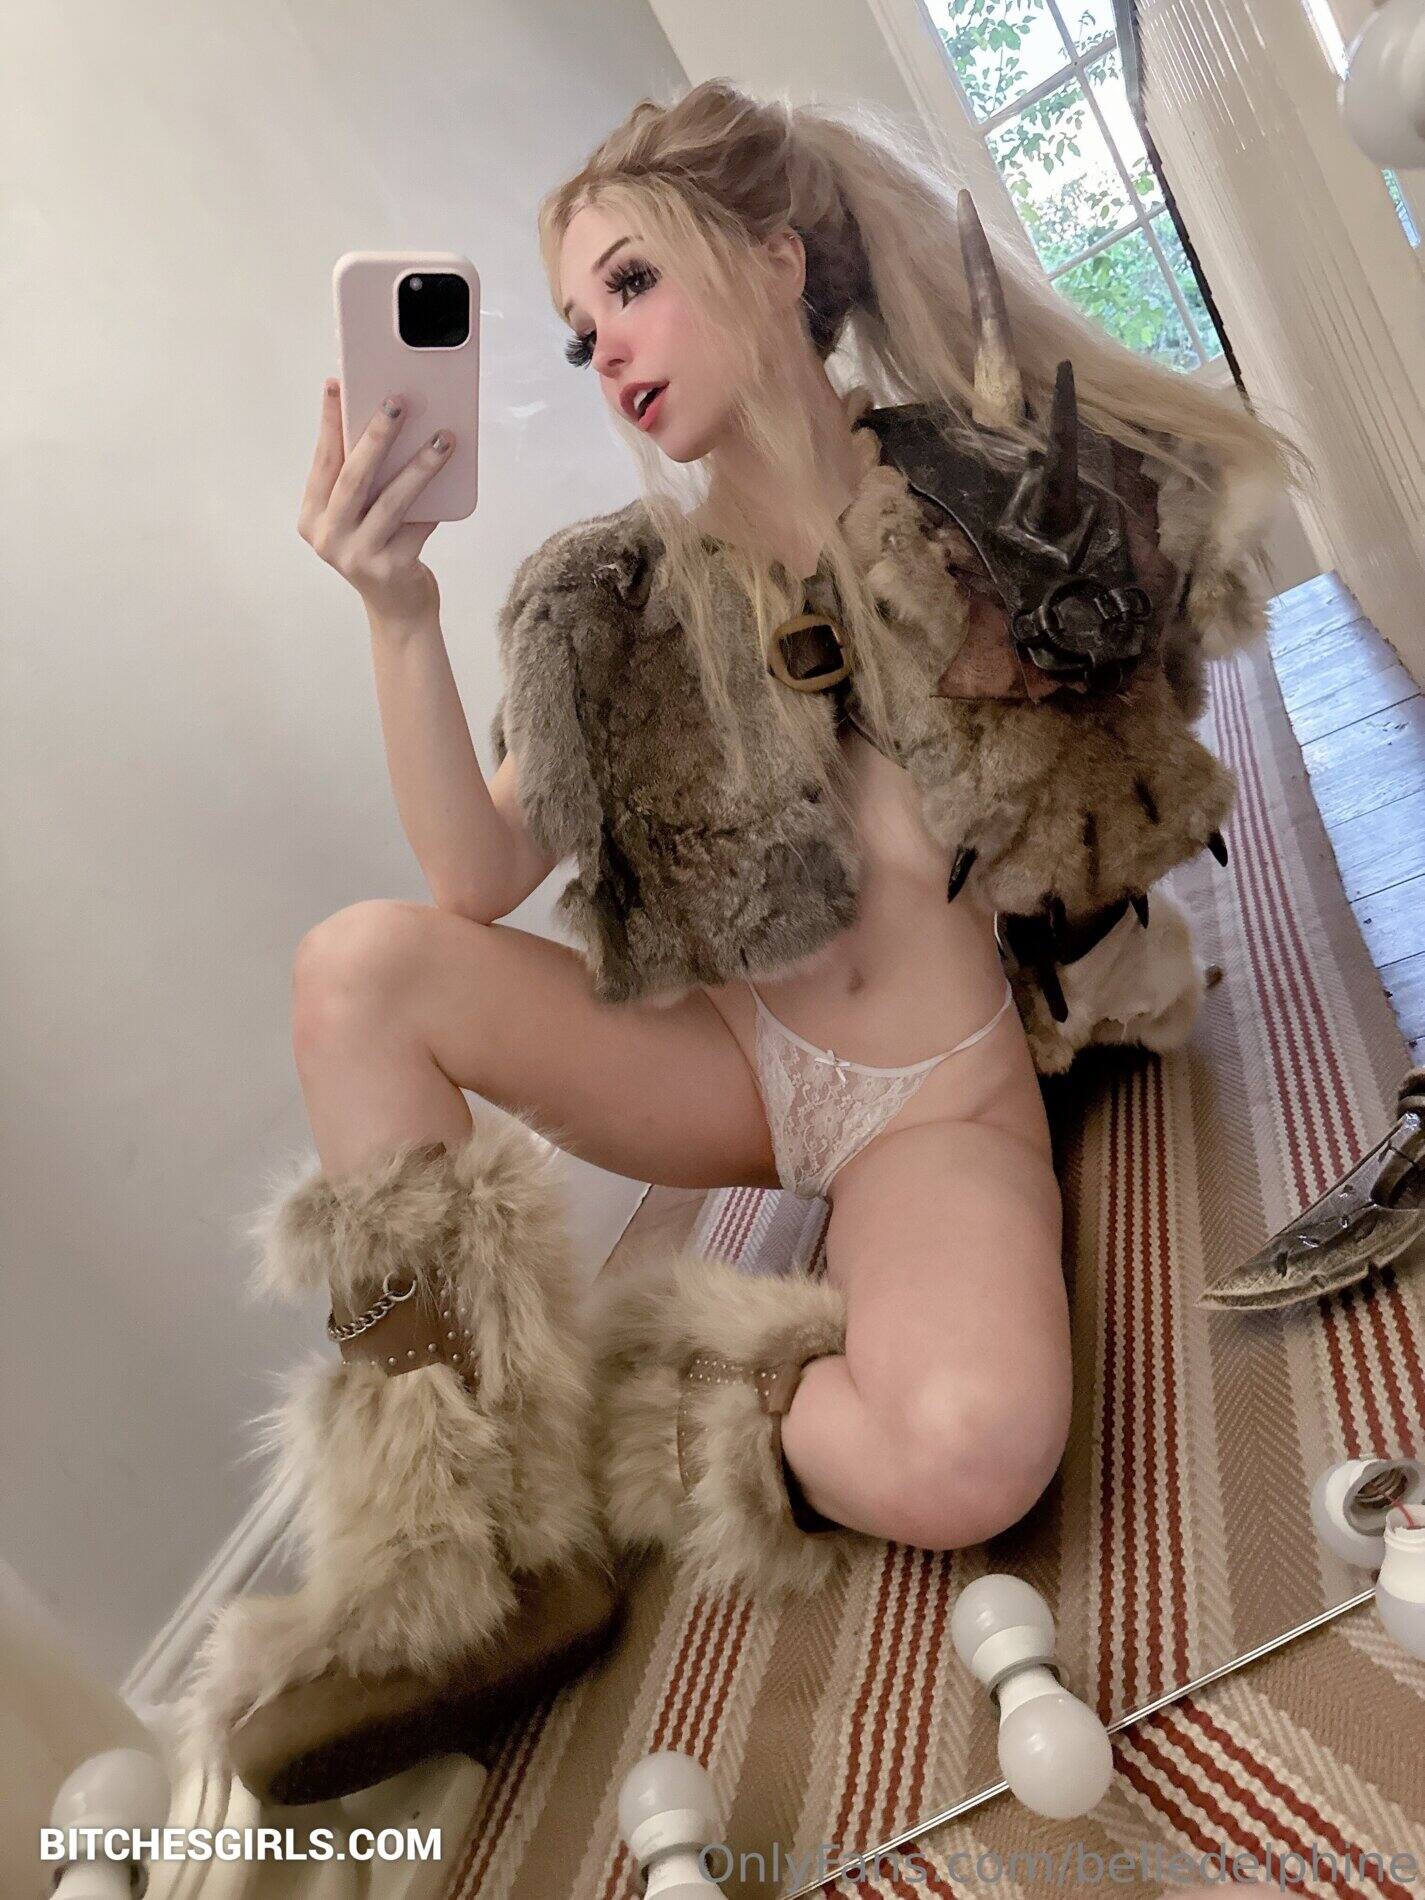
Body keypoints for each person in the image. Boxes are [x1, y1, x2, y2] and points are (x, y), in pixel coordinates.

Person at [183, 80, 1297, 1802]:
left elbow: (1169, 613)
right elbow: (470, 875)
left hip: (937, 1099)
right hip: (729, 1069)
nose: (606, 350)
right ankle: (462, 1550)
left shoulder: (972, 500)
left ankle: (645, 1401)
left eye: (631, 284)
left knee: (970, 1455)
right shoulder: (614, 600)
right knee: (358, 969)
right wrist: (397, 609)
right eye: (579, 330)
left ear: (776, 258)